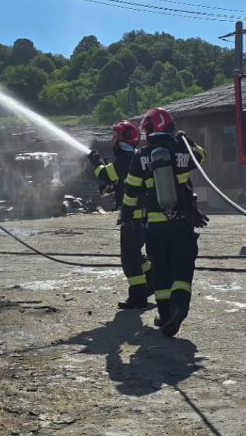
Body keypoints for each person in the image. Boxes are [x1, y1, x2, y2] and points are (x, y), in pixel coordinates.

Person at [121, 108, 208, 337]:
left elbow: (131, 191)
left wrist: (127, 216)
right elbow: (202, 156)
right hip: (182, 222)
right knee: (182, 267)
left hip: (155, 227)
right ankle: (180, 308)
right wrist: (185, 139)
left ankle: (165, 313)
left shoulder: (140, 157)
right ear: (168, 127)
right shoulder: (182, 149)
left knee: (160, 270)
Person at [87, 120, 151, 309]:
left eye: (115, 136)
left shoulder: (125, 160)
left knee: (130, 259)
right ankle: (153, 280)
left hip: (133, 217)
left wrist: (95, 161)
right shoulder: (136, 157)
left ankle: (138, 297)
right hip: (143, 216)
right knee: (136, 255)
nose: (113, 140)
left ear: (121, 138)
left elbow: (104, 174)